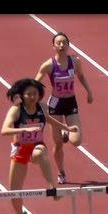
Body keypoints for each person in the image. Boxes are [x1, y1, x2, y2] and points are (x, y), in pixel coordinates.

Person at [1, 78, 79, 214]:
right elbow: (4, 130)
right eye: (29, 94)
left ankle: (52, 189)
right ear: (22, 95)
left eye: (35, 93)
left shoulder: (42, 107)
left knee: (41, 152)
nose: (32, 97)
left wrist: (67, 128)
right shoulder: (16, 111)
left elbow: (50, 121)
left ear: (40, 95)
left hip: (36, 147)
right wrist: (24, 131)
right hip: (20, 150)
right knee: (14, 194)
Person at [34, 32, 93, 185]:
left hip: (70, 102)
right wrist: (34, 100)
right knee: (58, 143)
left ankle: (65, 130)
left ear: (68, 45)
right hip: (55, 104)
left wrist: (89, 91)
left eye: (64, 43)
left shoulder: (75, 61)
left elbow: (81, 76)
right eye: (58, 43)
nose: (61, 45)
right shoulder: (48, 65)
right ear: (53, 46)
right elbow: (35, 83)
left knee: (76, 141)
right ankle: (61, 172)